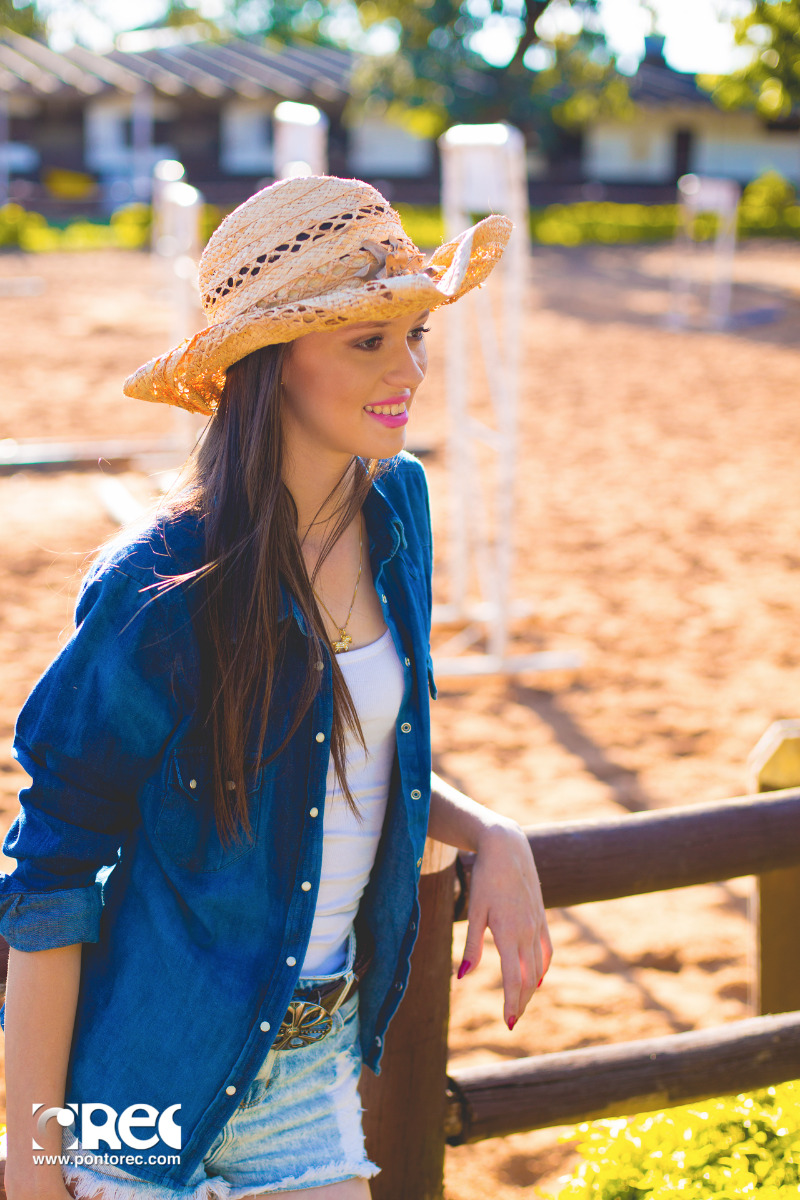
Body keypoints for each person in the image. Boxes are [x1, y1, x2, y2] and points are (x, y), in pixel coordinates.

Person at [0, 175, 553, 1200]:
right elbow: (53, 867)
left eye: (414, 335)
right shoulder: (155, 591)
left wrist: (491, 833)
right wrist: (31, 1170)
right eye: (366, 341)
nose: (407, 371)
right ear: (272, 359)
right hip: (144, 1077)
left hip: (310, 1066)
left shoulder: (400, 509)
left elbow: (354, 750)